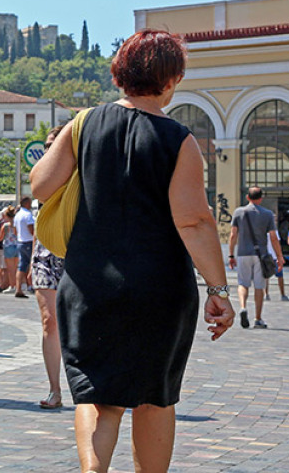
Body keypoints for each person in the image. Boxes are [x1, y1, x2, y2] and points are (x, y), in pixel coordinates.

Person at [29, 29, 233, 472]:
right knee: (154, 397)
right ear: (172, 80)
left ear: (118, 74)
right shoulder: (179, 140)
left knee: (97, 395)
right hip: (159, 287)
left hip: (89, 282)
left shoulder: (84, 124)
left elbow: (41, 185)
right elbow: (194, 221)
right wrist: (218, 290)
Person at [31, 125, 66, 410]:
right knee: (49, 321)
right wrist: (30, 259)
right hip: (44, 255)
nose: (49, 149)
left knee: (79, 324)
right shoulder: (42, 176)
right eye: (46, 145)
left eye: (54, 144)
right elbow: (40, 221)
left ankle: (89, 387)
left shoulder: (78, 174)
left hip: (75, 253)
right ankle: (55, 389)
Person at [229, 187, 284, 329]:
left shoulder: (238, 212)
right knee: (259, 286)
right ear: (261, 199)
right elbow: (273, 237)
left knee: (243, 283)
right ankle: (258, 318)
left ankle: (243, 307)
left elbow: (233, 235)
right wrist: (279, 256)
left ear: (247, 197)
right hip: (261, 255)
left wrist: (231, 254)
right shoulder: (267, 214)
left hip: (243, 253)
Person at [13, 197, 35, 298]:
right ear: (26, 203)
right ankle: (32, 285)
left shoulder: (17, 215)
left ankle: (18, 288)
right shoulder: (28, 215)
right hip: (28, 241)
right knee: (32, 263)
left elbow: (15, 231)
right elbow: (31, 230)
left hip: (20, 241)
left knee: (21, 265)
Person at [0, 206, 19, 292]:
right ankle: (17, 286)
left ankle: (12, 286)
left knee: (10, 269)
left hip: (8, 246)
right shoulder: (17, 224)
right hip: (17, 245)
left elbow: (0, 237)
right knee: (16, 268)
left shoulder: (5, 225)